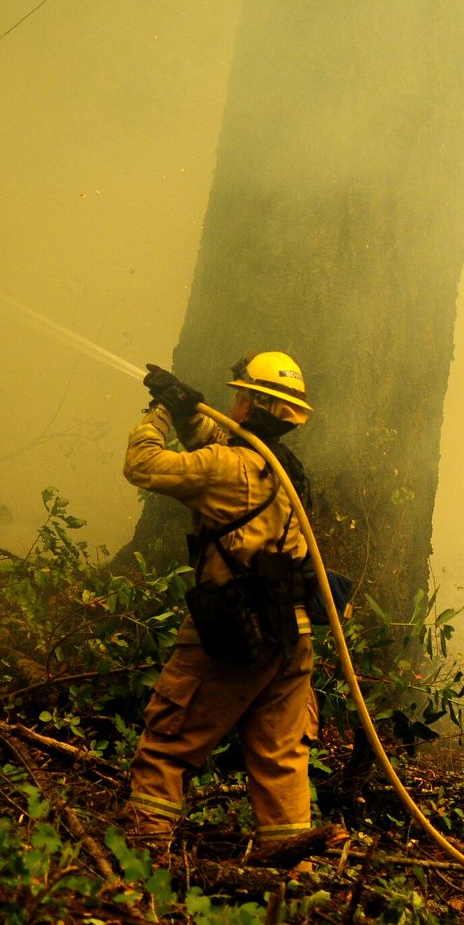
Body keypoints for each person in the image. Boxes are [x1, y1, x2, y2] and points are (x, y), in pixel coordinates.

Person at [119, 350, 319, 850]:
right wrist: (191, 412)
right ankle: (293, 866)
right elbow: (221, 450)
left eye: (240, 396)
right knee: (280, 756)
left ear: (252, 404)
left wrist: (162, 413)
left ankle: (142, 857)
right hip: (292, 637)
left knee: (169, 741)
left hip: (237, 631)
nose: (233, 405)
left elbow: (142, 465)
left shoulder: (229, 466)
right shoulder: (282, 469)